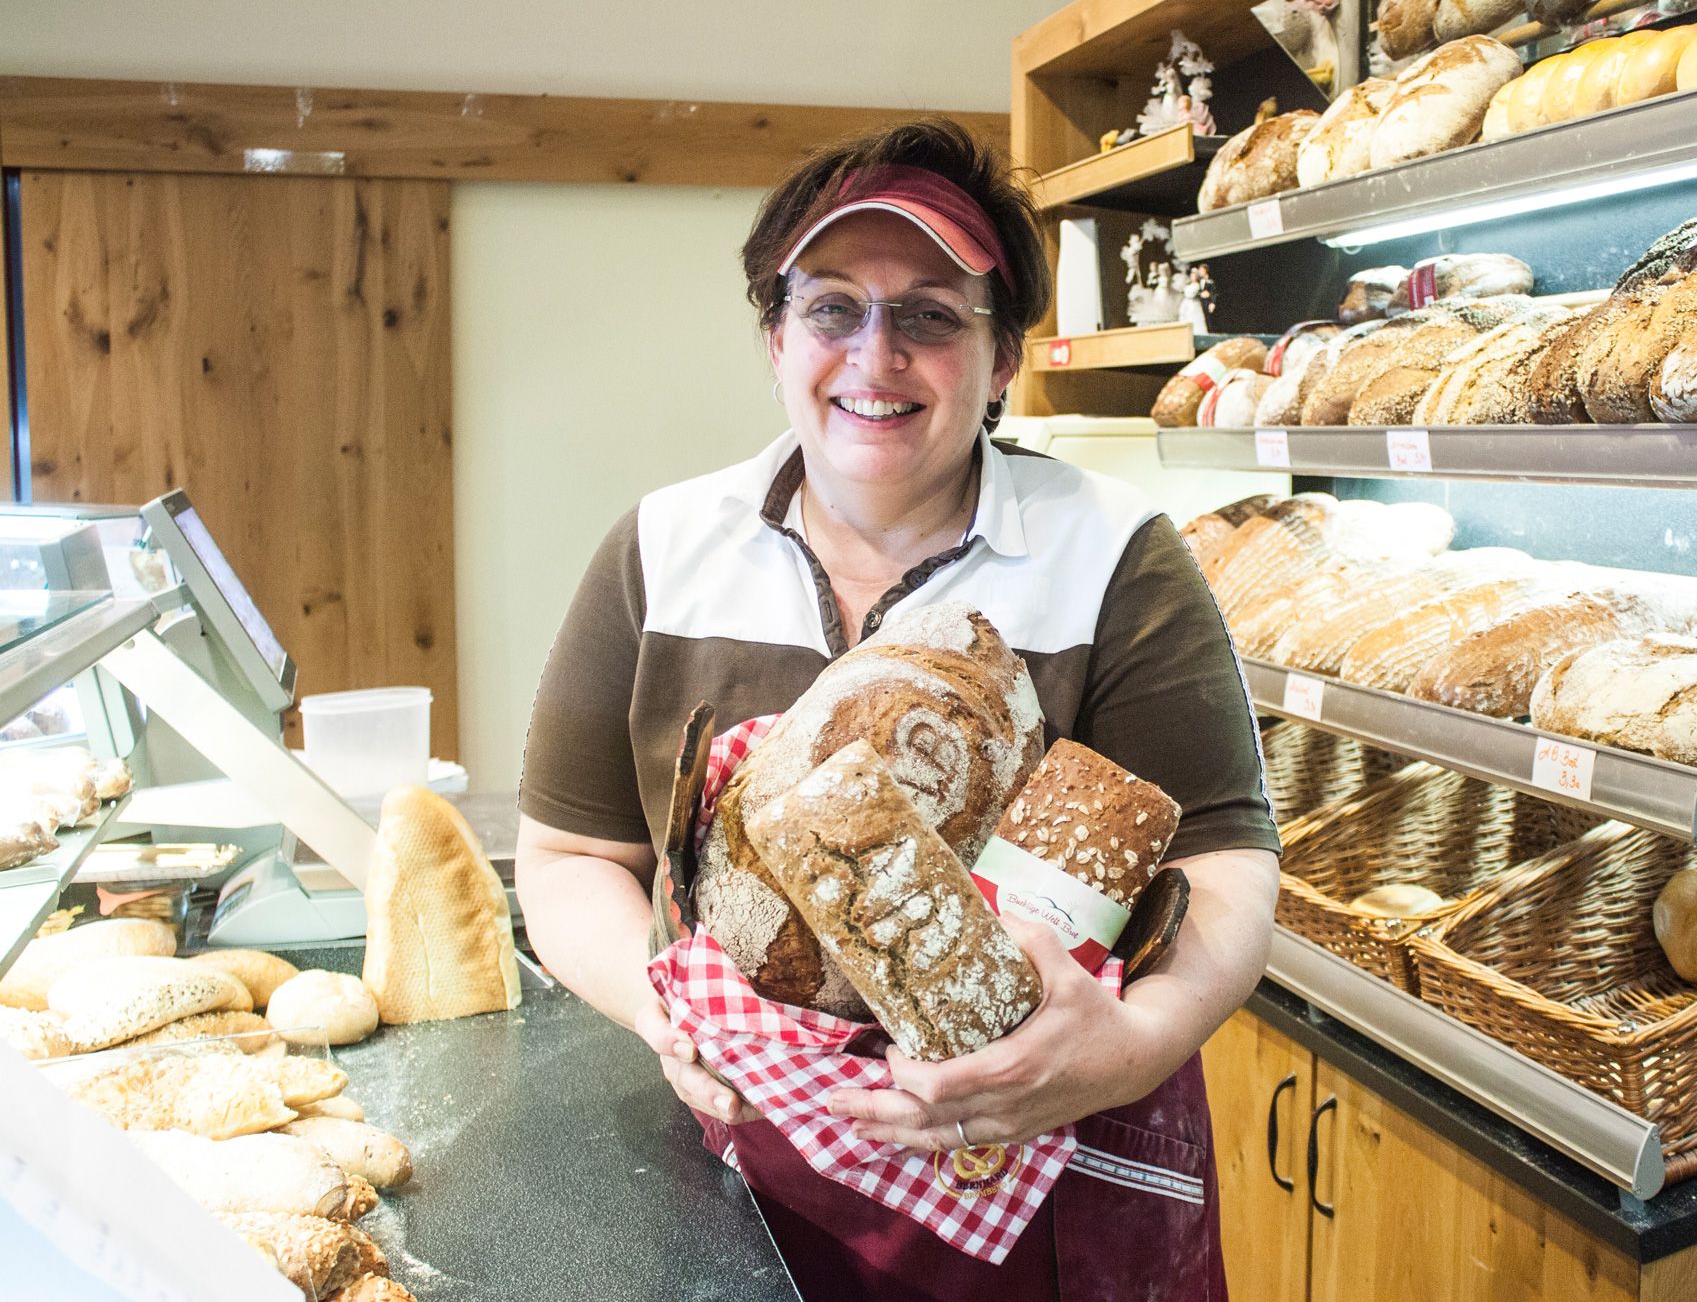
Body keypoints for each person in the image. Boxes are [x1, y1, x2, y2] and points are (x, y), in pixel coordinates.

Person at [514, 117, 1280, 1301]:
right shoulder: (664, 551)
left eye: (929, 313)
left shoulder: (1110, 555)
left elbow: (1225, 861)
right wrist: (662, 1007)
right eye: (832, 308)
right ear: (776, 335)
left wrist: (1132, 1042)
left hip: (1052, 1184)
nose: (876, 358)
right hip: (751, 1175)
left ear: (1003, 353)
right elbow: (567, 857)